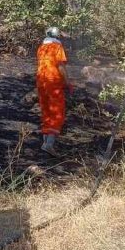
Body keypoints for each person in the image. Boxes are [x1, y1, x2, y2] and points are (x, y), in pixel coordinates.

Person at [36, 26, 69, 154]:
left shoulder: (41, 48)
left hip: (41, 81)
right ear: (57, 36)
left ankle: (45, 143)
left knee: (46, 110)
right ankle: (49, 144)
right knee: (57, 111)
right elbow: (60, 66)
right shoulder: (57, 47)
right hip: (53, 81)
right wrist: (67, 82)